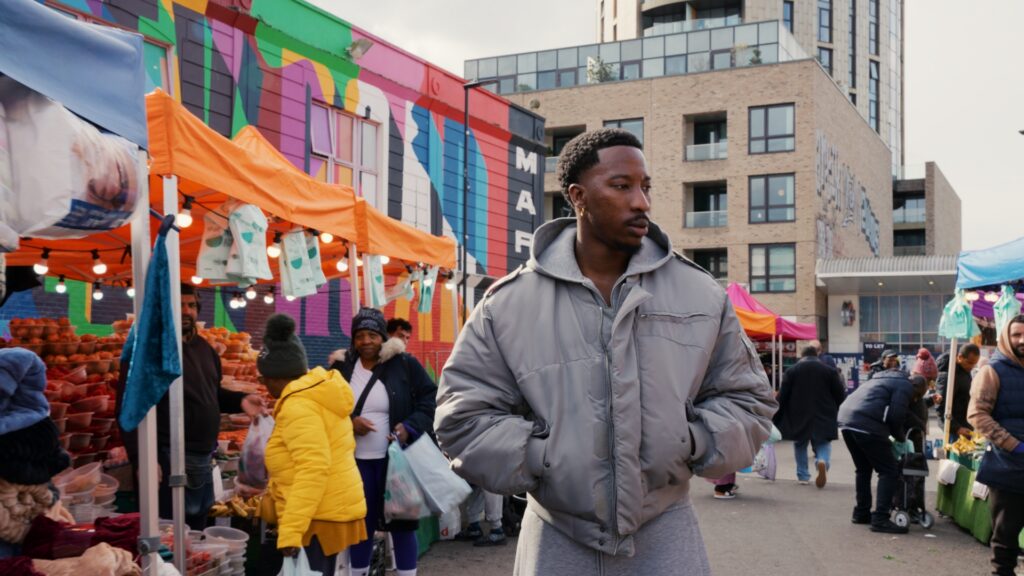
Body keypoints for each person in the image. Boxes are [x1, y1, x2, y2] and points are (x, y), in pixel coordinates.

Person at [434, 128, 777, 575]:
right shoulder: (508, 304)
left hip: (667, 534)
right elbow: (462, 418)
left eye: (645, 186)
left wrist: (691, 440)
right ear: (578, 196)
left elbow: (750, 401)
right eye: (621, 186)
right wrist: (541, 457)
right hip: (555, 539)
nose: (641, 202)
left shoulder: (701, 295)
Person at [118, 285, 265, 530]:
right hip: (166, 459)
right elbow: (129, 405)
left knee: (197, 537)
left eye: (192, 305)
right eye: (180, 305)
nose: (187, 311)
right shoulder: (149, 350)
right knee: (167, 535)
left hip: (203, 459)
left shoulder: (205, 350)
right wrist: (142, 457)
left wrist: (240, 400)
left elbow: (211, 394)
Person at [257, 314, 367, 574]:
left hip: (316, 520)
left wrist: (291, 531)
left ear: (277, 376)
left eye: (263, 379)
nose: (263, 385)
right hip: (325, 511)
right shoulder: (314, 394)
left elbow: (313, 468)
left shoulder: (298, 406)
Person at [331, 307, 437, 576]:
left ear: (382, 336)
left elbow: (430, 399)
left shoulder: (404, 364)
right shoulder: (341, 367)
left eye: (372, 335)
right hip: (354, 464)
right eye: (359, 336)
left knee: (402, 526)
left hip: (396, 462)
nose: (366, 341)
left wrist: (409, 427)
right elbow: (326, 407)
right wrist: (350, 421)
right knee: (360, 524)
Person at [968, 314, 1024, 576]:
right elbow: (977, 415)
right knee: (1006, 535)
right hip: (1007, 467)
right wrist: (1013, 445)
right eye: (1016, 335)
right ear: (1006, 338)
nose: (1022, 340)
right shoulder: (993, 370)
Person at [837, 361, 914, 533]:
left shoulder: (877, 379)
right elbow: (896, 416)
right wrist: (901, 438)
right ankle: (880, 518)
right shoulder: (905, 385)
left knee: (863, 469)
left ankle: (861, 512)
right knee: (889, 471)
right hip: (866, 425)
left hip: (846, 420)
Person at [774, 345, 846, 488]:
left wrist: (776, 412)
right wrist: (839, 410)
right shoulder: (830, 371)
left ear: (802, 356)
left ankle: (803, 476)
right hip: (824, 412)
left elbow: (783, 395)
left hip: (798, 413)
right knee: (823, 442)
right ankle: (822, 461)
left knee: (800, 443)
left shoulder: (792, 371)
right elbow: (839, 394)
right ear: (817, 355)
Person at [937, 343, 981, 441]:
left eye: (974, 364)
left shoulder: (964, 371)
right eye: (969, 363)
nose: (972, 366)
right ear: (960, 357)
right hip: (954, 430)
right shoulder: (948, 375)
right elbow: (941, 406)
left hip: (965, 426)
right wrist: (957, 428)